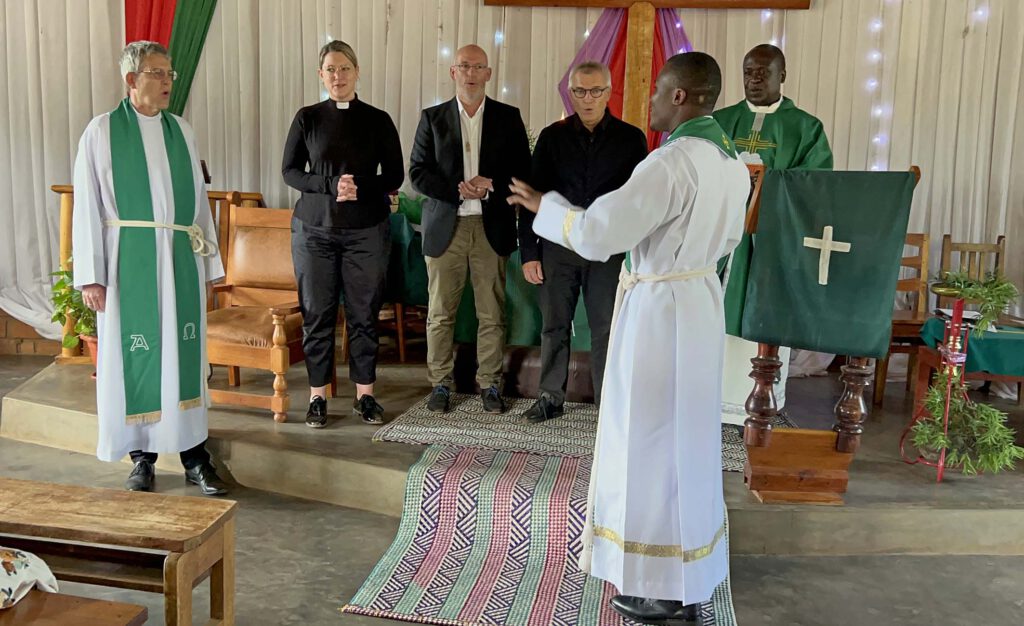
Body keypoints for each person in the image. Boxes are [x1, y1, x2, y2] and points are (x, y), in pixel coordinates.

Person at [508, 52, 747, 623]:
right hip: (698, 303)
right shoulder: (732, 162)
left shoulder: (671, 163)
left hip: (659, 310)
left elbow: (599, 232)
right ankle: (692, 577)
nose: (651, 101)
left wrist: (547, 208)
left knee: (649, 440)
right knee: (687, 439)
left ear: (683, 97)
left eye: (660, 89)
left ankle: (658, 582)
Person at [72, 41, 227, 496]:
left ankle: (195, 455)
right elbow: (87, 207)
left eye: (169, 74)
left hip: (179, 256)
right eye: (157, 73)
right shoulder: (101, 132)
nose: (166, 82)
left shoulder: (182, 130)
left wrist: (210, 263)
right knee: (139, 358)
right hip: (129, 262)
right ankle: (142, 458)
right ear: (131, 80)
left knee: (183, 357)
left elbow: (198, 207)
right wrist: (92, 276)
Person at [282, 40, 404, 428]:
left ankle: (365, 396)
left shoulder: (379, 119)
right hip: (314, 229)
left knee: (364, 313)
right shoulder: (307, 117)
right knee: (317, 314)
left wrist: (361, 188)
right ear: (321, 75)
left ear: (357, 71)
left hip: (366, 230)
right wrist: (330, 184)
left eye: (345, 68)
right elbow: (290, 171)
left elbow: (396, 175)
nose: (338, 76)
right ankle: (318, 396)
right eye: (331, 69)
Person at [517, 61, 647, 422]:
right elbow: (533, 199)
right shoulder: (552, 137)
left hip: (608, 251)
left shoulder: (631, 139)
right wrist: (530, 253)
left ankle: (609, 401)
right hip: (559, 249)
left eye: (595, 91)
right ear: (569, 93)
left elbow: (638, 202)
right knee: (554, 324)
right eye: (579, 91)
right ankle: (549, 396)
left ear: (608, 92)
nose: (587, 99)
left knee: (607, 327)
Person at [713, 43, 835, 423]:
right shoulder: (717, 120)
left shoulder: (806, 127)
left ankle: (755, 401)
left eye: (764, 72)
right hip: (720, 242)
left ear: (783, 75)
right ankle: (708, 401)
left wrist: (768, 182)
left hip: (770, 243)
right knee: (713, 318)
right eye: (749, 71)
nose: (754, 79)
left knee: (761, 317)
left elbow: (816, 185)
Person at [409, 44, 531, 414]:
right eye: (464, 66)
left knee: (491, 312)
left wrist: (491, 183)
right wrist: (455, 189)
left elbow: (524, 172)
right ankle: (440, 384)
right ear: (453, 72)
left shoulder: (508, 117)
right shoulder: (432, 118)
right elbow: (416, 173)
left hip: (490, 226)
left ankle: (490, 383)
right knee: (440, 312)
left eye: (479, 67)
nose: (472, 73)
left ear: (489, 74)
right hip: (446, 226)